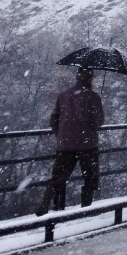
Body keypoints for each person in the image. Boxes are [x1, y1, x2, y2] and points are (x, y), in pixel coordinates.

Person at [35, 67, 105, 215]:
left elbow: (54, 119)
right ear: (90, 79)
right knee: (90, 177)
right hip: (88, 144)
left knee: (59, 176)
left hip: (65, 144)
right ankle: (85, 209)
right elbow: (98, 121)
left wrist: (61, 134)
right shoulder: (93, 97)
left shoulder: (63, 95)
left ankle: (45, 204)